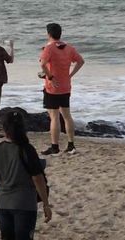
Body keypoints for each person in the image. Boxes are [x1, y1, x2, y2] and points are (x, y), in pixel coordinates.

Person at [0, 110, 52, 240]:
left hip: (3, 203)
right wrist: (46, 204)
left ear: (4, 128)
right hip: (25, 204)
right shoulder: (27, 149)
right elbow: (38, 179)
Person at [39, 22, 84, 156]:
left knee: (54, 117)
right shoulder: (69, 48)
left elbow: (42, 65)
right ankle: (71, 145)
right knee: (67, 115)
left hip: (52, 87)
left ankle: (55, 146)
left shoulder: (49, 48)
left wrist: (50, 77)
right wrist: (70, 75)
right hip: (65, 86)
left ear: (49, 34)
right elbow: (81, 61)